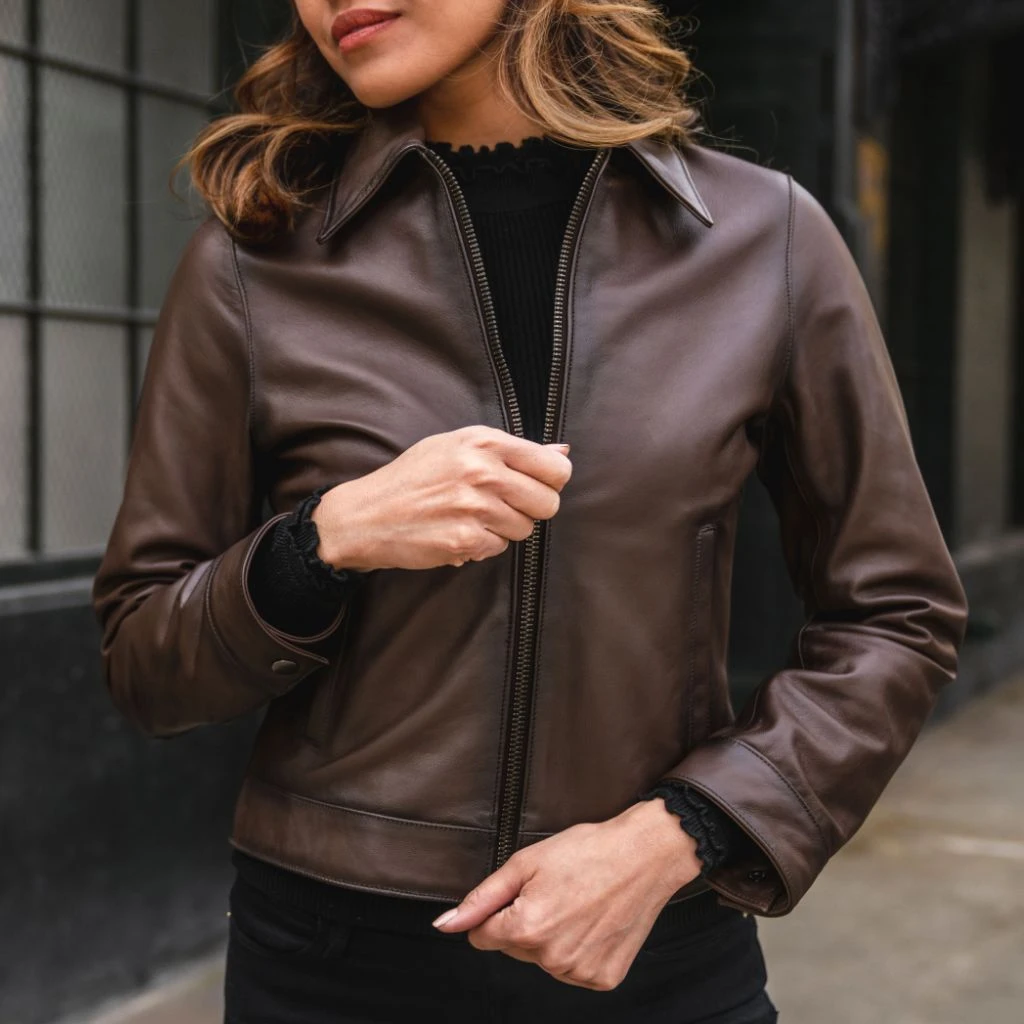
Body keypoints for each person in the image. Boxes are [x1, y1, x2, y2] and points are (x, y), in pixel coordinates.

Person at [90, 1, 969, 1021]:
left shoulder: (759, 237)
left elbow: (897, 613)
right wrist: (319, 543)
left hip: (654, 945)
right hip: (334, 959)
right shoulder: (255, 256)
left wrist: (683, 830)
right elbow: (146, 660)